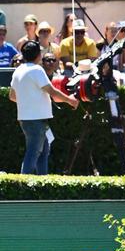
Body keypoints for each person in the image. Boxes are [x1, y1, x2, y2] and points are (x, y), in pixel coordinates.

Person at [9, 40, 78, 174]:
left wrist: (28, 100)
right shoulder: (37, 69)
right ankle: (23, 188)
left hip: (26, 119)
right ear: (38, 55)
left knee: (43, 151)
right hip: (36, 120)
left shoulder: (18, 70)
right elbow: (52, 92)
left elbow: (12, 96)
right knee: (33, 154)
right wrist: (70, 100)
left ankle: (42, 181)